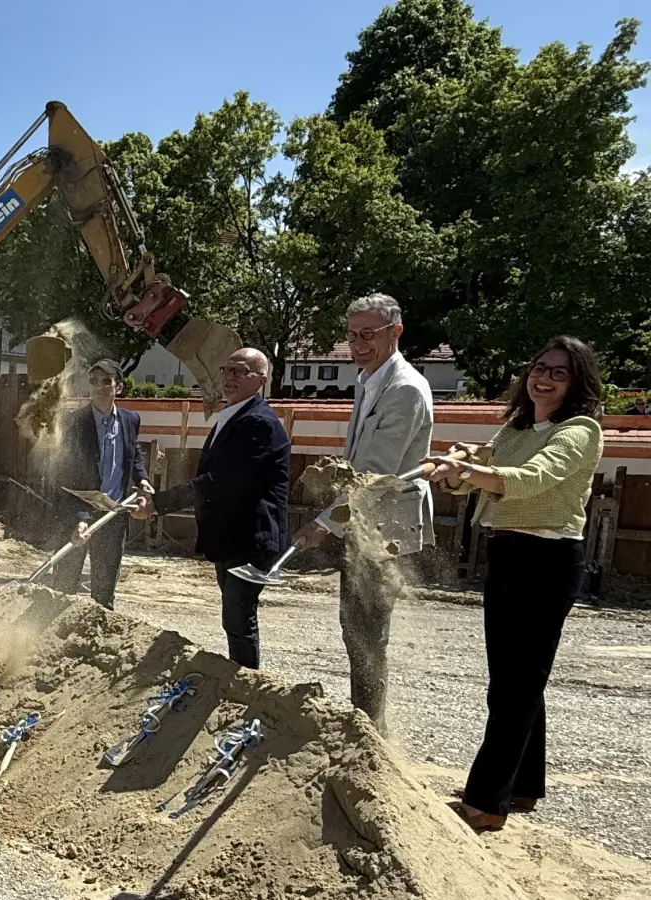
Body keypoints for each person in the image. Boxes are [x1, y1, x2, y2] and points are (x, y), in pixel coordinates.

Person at [425, 336, 604, 832]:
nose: (543, 378)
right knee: (518, 678)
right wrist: (452, 472)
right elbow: (479, 474)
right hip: (508, 553)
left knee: (515, 686)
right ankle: (522, 784)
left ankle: (486, 801)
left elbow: (527, 479)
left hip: (546, 559)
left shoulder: (580, 430)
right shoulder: (517, 426)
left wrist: (469, 469)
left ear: (577, 383)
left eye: (559, 373)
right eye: (539, 368)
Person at [293, 293, 434, 736]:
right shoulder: (372, 380)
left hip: (385, 526)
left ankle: (370, 733)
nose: (358, 343)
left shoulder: (404, 389)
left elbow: (373, 473)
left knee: (367, 634)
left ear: (396, 332)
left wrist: (322, 524)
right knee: (356, 629)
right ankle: (368, 724)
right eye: (352, 334)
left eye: (368, 334)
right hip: (365, 521)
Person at [132, 348, 288, 669]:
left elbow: (220, 481)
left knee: (239, 619)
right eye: (226, 370)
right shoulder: (234, 415)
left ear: (260, 380)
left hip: (251, 541)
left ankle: (245, 688)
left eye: (239, 371)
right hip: (233, 539)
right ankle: (242, 682)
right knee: (234, 618)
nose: (229, 377)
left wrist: (159, 504)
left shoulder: (258, 423)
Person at [53, 359, 151, 609]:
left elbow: (133, 453)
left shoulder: (130, 420)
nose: (98, 386)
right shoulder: (74, 422)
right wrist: (81, 516)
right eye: (93, 381)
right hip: (78, 512)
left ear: (118, 387)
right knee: (64, 585)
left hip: (113, 512)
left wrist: (142, 478)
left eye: (106, 381)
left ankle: (95, 640)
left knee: (105, 588)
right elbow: (67, 474)